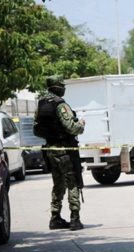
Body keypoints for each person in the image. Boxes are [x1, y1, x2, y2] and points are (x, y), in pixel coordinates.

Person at [34, 75, 86, 231]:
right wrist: (81, 124)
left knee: (58, 184)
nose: (64, 89)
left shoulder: (41, 104)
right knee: (73, 183)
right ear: (57, 88)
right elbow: (72, 127)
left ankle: (55, 218)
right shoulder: (60, 105)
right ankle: (75, 219)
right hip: (65, 151)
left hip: (50, 150)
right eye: (62, 86)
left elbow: (36, 130)